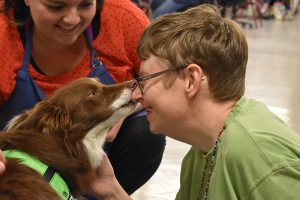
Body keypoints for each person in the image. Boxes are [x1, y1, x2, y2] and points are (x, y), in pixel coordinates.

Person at [88, 4, 300, 199]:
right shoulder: (202, 151)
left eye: (144, 80)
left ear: (191, 80)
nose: (136, 96)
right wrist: (113, 192)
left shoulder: (257, 158)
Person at [0, 0, 166, 197]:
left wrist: (128, 105)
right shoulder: (3, 31)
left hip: (100, 158)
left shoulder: (124, 19)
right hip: (16, 163)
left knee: (146, 133)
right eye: (56, 6)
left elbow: (169, 85)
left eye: (86, 5)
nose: (72, 19)